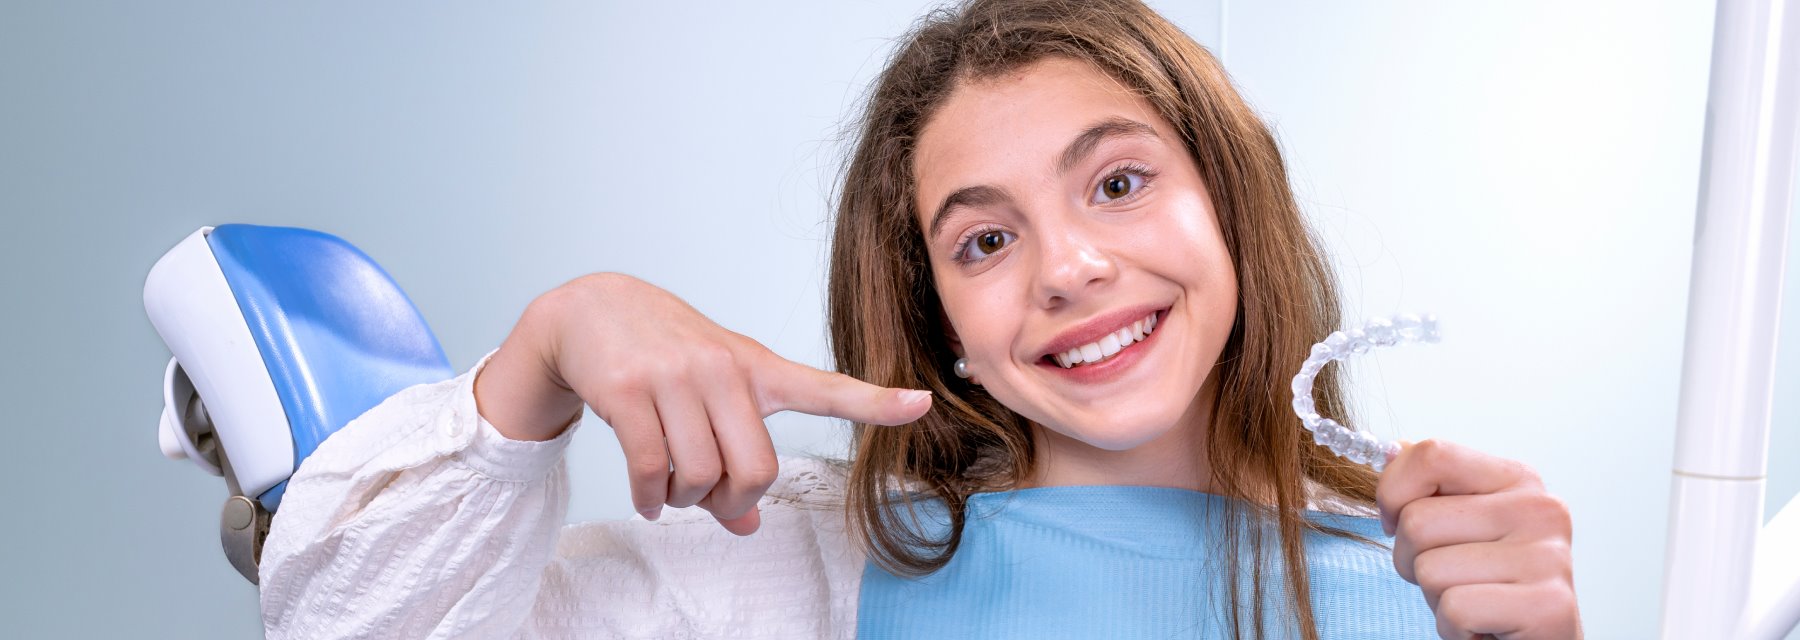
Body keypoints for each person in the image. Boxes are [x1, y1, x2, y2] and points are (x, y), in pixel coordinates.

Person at [259, 0, 1581, 637]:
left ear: (1231, 208)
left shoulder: (1443, 571)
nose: (1067, 268)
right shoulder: (816, 568)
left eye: (1119, 182)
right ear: (941, 320)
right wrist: (553, 346)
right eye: (987, 239)